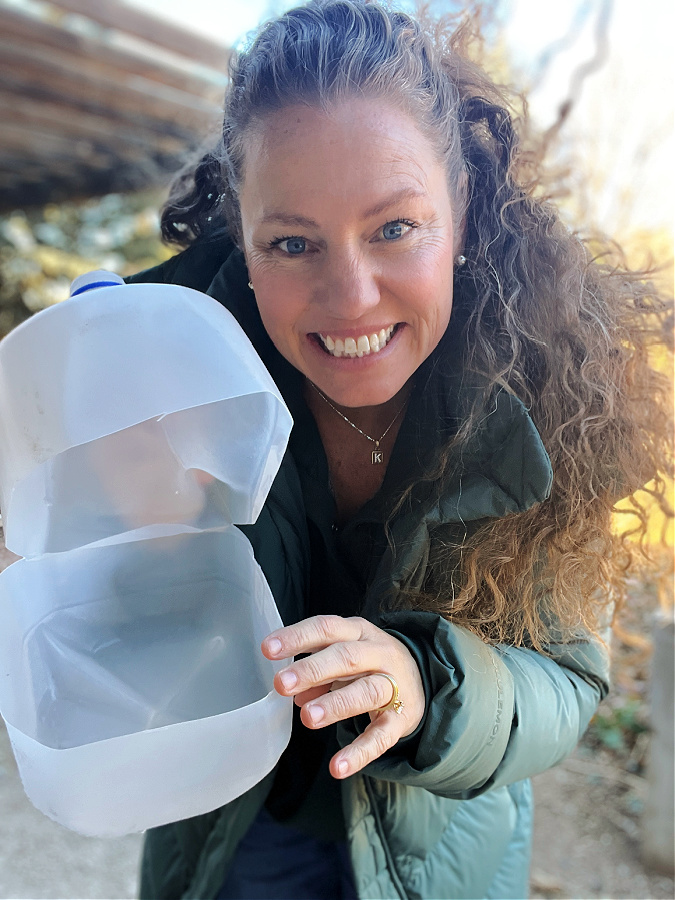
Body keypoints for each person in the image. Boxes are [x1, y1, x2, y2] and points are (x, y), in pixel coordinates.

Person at [128, 1, 673, 897]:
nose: (350, 296)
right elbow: (120, 629)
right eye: (292, 242)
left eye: (393, 228)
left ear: (459, 212)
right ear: (245, 236)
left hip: (441, 853)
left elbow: (565, 680)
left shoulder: (545, 399)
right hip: (230, 837)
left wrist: (430, 689)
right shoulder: (160, 381)